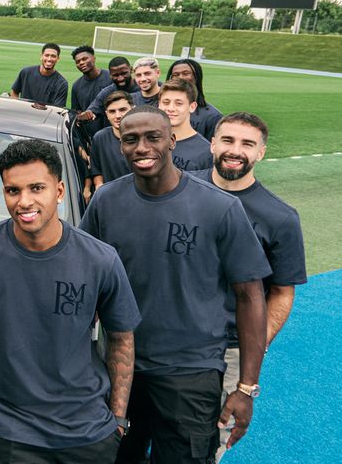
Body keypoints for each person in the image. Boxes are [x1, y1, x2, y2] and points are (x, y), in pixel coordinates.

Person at [80, 106, 271, 464]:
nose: (141, 147)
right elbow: (83, 276)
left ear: (171, 141)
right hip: (120, 371)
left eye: (152, 137)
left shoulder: (220, 207)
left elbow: (251, 296)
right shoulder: (106, 201)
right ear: (120, 145)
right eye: (130, 140)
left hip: (190, 375)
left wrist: (245, 387)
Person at [0, 139, 141, 463]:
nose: (23, 201)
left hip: (88, 434)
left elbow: (122, 338)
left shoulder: (100, 259)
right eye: (12, 191)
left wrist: (117, 419)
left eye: (36, 188)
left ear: (59, 192)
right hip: (14, 435)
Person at [192, 113, 307, 462]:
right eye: (227, 140)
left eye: (247, 144)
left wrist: (253, 347)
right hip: (163, 337)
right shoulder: (178, 189)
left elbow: (282, 293)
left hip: (227, 350)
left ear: (261, 153)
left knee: (208, 443)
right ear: (212, 144)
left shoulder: (280, 218)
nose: (235, 150)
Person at [158, 78, 213, 171]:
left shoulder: (206, 152)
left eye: (179, 103)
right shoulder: (149, 141)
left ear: (192, 107)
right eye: (166, 102)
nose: (171, 108)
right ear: (159, 105)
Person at [167, 59, 223, 141]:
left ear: (197, 76)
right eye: (176, 74)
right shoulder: (162, 110)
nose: (180, 78)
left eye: (186, 73)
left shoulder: (212, 117)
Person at [89, 91, 133, 191]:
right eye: (112, 111)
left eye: (122, 110)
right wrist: (99, 185)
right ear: (106, 114)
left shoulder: (145, 137)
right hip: (111, 197)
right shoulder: (100, 138)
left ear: (133, 109)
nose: (118, 116)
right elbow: (96, 170)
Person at [10, 43, 68, 107]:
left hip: (45, 116)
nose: (49, 59)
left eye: (53, 56)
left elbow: (58, 108)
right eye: (46, 55)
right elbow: (14, 92)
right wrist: (17, 106)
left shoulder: (62, 83)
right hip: (24, 113)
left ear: (58, 59)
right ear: (41, 56)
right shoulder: (26, 72)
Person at [71, 45, 111, 135]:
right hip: (91, 137)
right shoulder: (76, 86)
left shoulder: (111, 77)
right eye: (78, 61)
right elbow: (76, 114)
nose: (81, 63)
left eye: (84, 59)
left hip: (113, 133)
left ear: (94, 58)